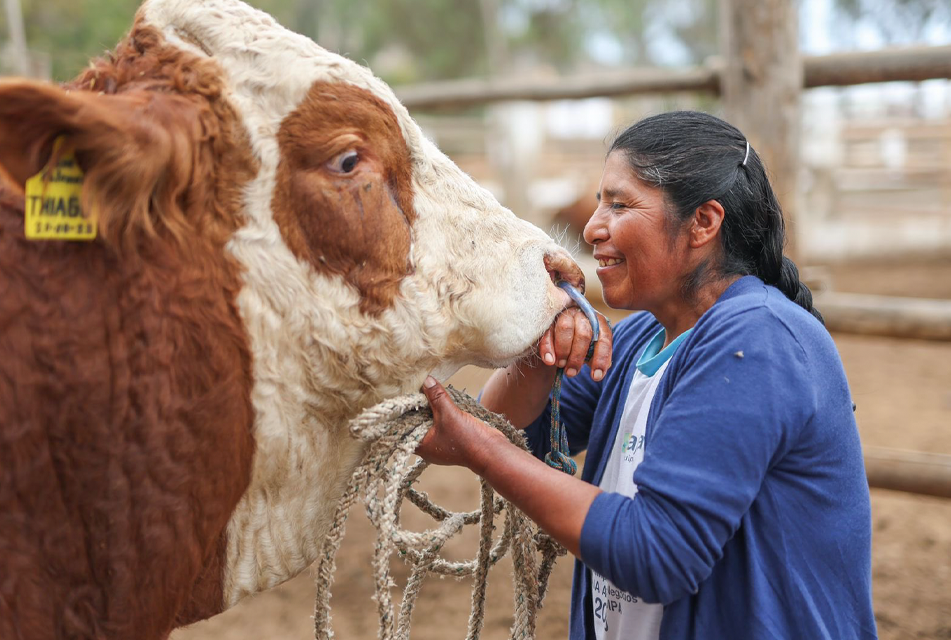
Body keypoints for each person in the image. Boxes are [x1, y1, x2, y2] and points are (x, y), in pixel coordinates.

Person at [416, 111, 877, 640]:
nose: (592, 227)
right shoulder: (639, 339)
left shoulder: (758, 340)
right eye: (598, 203)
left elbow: (657, 554)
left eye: (619, 203)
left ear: (703, 222)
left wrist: (483, 450)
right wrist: (545, 346)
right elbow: (491, 429)